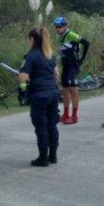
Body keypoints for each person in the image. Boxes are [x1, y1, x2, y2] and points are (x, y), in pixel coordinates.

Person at [17, 27, 61, 167]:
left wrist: (20, 76)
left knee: (41, 126)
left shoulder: (31, 55)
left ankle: (42, 158)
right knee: (52, 125)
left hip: (39, 94)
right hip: (53, 93)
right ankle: (52, 156)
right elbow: (56, 74)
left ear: (32, 39)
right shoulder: (50, 54)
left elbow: (23, 77)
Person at [53, 16, 90, 125]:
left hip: (73, 66)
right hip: (66, 66)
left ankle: (74, 116)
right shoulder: (62, 36)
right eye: (56, 27)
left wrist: (82, 59)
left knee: (73, 90)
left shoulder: (71, 34)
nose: (57, 29)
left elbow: (86, 43)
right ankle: (65, 114)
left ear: (64, 26)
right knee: (64, 91)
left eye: (59, 27)